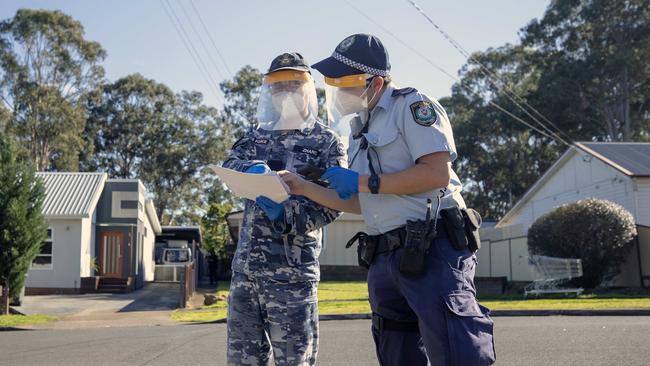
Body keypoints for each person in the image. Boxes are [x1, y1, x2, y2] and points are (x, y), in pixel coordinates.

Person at [280, 34, 496, 365]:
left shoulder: (412, 107)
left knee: (456, 351)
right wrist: (304, 188)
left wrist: (363, 181)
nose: (338, 92)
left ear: (376, 82)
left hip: (432, 247)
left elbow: (436, 174)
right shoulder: (357, 129)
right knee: (397, 352)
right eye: (333, 83)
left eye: (345, 83)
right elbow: (363, 203)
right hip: (385, 255)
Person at [222, 52, 346, 366]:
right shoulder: (255, 137)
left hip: (292, 275)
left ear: (308, 89)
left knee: (295, 361)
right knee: (243, 360)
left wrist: (288, 215)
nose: (285, 92)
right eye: (278, 86)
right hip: (246, 273)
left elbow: (336, 203)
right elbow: (230, 165)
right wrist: (250, 170)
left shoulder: (327, 142)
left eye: (293, 84)